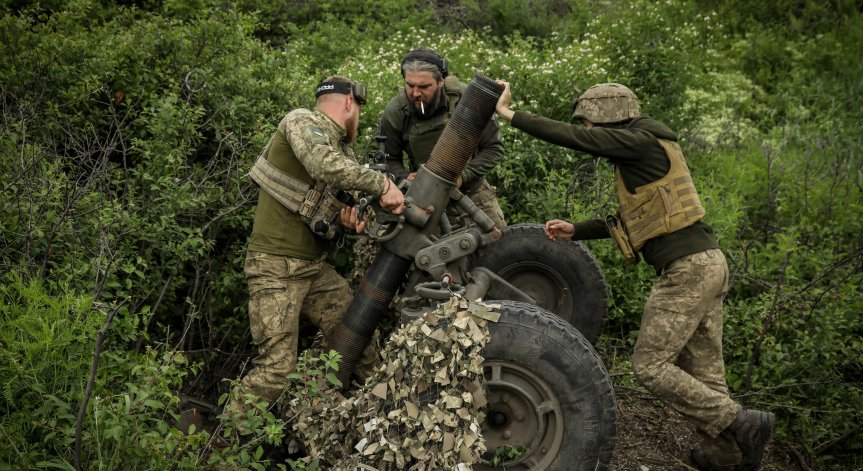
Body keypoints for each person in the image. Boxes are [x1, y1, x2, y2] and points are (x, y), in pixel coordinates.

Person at [494, 81, 775, 471]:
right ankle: (725, 455)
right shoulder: (647, 149)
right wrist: (578, 230)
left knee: (650, 367)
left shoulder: (640, 141)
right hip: (707, 263)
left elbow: (575, 139)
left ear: (609, 116)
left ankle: (742, 422)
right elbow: (640, 218)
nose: (587, 129)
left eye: (589, 121)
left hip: (688, 271)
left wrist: (509, 114)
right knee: (705, 374)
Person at [227, 76, 405, 422]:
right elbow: (322, 165)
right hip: (275, 269)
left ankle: (383, 425)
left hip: (313, 270)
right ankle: (222, 443)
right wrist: (383, 184)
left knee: (361, 341)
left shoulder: (344, 153)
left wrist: (353, 222)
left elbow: (349, 202)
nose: (359, 122)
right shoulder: (301, 121)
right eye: (359, 111)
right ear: (350, 103)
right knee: (276, 371)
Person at [377, 47, 507, 228]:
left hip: (474, 196)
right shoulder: (396, 111)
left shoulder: (468, 100)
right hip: (425, 203)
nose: (415, 93)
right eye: (410, 85)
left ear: (440, 81)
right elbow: (388, 159)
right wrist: (405, 177)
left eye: (424, 86)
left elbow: (493, 148)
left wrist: (463, 176)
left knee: (500, 243)